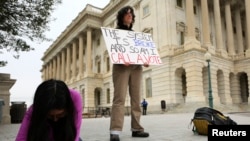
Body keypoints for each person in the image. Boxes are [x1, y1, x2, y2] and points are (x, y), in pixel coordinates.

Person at [109, 6, 149, 141]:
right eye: (127, 13)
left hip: (136, 68)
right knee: (119, 98)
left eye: (131, 14)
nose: (130, 15)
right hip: (122, 67)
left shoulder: (135, 34)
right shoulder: (115, 33)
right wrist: (121, 59)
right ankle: (115, 130)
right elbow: (113, 51)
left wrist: (145, 60)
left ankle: (137, 129)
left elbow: (141, 52)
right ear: (121, 17)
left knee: (136, 99)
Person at [15, 79, 83, 141]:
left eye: (60, 115)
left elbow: (75, 134)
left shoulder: (74, 98)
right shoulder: (33, 109)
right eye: (50, 116)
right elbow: (21, 138)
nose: (55, 119)